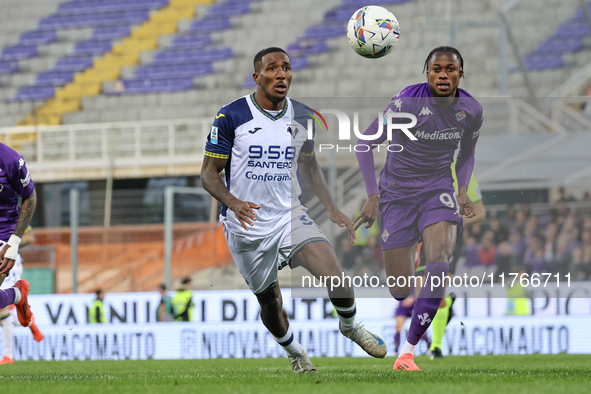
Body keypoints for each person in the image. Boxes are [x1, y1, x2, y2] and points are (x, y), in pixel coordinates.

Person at [201, 47, 387, 374]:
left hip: (290, 215)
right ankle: (295, 351)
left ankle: (350, 325)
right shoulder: (231, 116)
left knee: (336, 275)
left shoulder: (302, 116)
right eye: (272, 69)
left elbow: (309, 165)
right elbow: (208, 172)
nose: (281, 74)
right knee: (270, 302)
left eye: (286, 68)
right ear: (257, 77)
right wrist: (233, 202)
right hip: (247, 225)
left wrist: (331, 208)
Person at [354, 46, 483, 371]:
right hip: (396, 194)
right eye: (436, 69)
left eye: (450, 69)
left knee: (439, 264)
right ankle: (411, 253)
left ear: (460, 74)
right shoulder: (406, 103)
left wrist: (463, 191)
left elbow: (466, 154)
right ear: (426, 74)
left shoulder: (471, 110)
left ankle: (407, 353)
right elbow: (364, 143)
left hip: (438, 190)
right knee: (400, 291)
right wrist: (373, 195)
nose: (443, 74)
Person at [0, 143, 35, 346]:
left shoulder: (11, 160)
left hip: (4, 232)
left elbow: (29, 197)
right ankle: (17, 294)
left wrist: (13, 244)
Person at [0, 225, 43, 364]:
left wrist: (13, 244)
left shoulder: (15, 213)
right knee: (3, 313)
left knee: (2, 310)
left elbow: (30, 237)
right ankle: (29, 320)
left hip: (7, 259)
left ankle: (8, 355)